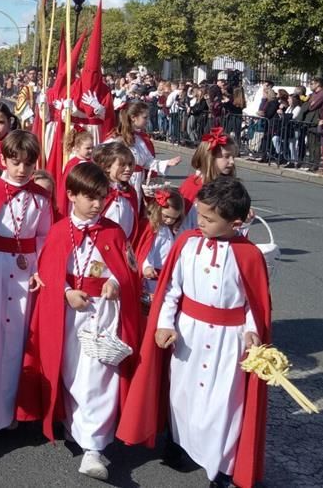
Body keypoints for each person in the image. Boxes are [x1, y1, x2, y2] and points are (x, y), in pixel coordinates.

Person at [117, 176, 271, 488]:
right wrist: (164, 324)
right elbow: (171, 290)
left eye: (209, 219)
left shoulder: (250, 255)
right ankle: (178, 443)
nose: (199, 222)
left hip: (228, 342)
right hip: (189, 336)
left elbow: (255, 305)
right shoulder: (187, 244)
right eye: (199, 214)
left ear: (236, 222)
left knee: (223, 405)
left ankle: (222, 468)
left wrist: (253, 333)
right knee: (182, 395)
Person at [16, 162, 141, 479]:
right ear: (71, 195)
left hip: (102, 315)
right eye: (90, 197)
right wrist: (66, 291)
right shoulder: (59, 231)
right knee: (71, 374)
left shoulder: (113, 231)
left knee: (98, 376)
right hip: (69, 314)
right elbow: (48, 271)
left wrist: (116, 283)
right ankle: (76, 426)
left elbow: (126, 270)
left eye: (102, 197)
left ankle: (94, 449)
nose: (98, 204)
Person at [0, 130, 53, 447]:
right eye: (15, 163)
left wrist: (40, 267)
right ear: (4, 160)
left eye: (28, 165)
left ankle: (10, 408)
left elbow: (45, 237)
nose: (21, 170)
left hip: (24, 272)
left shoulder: (41, 198)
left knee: (18, 343)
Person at [106, 100, 182, 207]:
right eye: (145, 117)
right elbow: (103, 157)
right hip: (123, 179)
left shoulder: (139, 139)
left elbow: (147, 161)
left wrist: (167, 163)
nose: (147, 120)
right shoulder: (116, 139)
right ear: (133, 118)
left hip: (137, 180)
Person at [180, 126, 239, 227]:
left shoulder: (231, 187)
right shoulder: (192, 186)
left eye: (233, 157)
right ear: (210, 158)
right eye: (227, 156)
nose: (232, 162)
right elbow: (180, 220)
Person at [134, 188, 185, 302]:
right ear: (157, 209)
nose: (169, 221)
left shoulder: (168, 229)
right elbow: (146, 251)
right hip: (151, 276)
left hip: (163, 276)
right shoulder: (151, 228)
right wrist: (146, 266)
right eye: (166, 216)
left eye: (173, 218)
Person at [93, 141, 138, 240]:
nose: (128, 169)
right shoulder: (100, 191)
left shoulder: (130, 192)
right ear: (108, 167)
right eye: (122, 165)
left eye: (130, 164)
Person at [56, 130, 95, 218]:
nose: (91, 151)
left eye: (92, 148)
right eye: (87, 148)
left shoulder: (89, 162)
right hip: (76, 199)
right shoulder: (74, 164)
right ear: (77, 148)